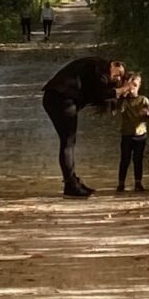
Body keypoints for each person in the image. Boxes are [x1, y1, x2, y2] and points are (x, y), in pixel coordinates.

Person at [42, 54, 127, 197]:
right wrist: (123, 89)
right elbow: (100, 93)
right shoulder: (99, 66)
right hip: (61, 98)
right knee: (68, 142)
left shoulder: (97, 72)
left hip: (57, 98)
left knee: (68, 141)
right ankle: (70, 185)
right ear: (114, 64)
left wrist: (119, 94)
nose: (118, 78)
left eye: (120, 78)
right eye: (119, 74)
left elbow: (98, 95)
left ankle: (72, 182)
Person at [116, 72, 149, 192]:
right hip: (127, 134)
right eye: (130, 86)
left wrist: (147, 114)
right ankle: (121, 183)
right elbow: (118, 110)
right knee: (125, 159)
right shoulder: (124, 101)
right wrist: (123, 94)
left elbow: (148, 113)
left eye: (135, 85)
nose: (132, 88)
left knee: (138, 159)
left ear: (139, 86)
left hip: (140, 134)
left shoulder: (143, 100)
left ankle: (138, 182)